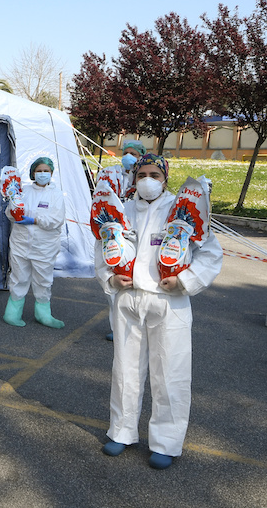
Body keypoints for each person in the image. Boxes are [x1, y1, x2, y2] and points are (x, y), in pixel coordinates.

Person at [95, 154, 222, 470]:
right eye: (141, 175)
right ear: (133, 178)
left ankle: (166, 442)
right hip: (128, 300)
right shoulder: (122, 209)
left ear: (166, 178)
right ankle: (121, 432)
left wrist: (184, 281)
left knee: (170, 373)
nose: (147, 180)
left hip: (169, 302)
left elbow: (211, 254)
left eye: (154, 174)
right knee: (125, 371)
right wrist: (109, 278)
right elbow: (100, 247)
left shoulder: (182, 210)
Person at [2, 156, 66, 329]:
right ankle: (12, 313)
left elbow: (56, 219)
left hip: (44, 246)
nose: (42, 174)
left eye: (46, 171)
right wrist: (13, 208)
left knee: (43, 280)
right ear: (33, 173)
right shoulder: (23, 191)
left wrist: (35, 220)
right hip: (20, 243)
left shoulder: (56, 194)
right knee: (18, 278)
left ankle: (43, 314)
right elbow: (10, 213)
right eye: (39, 171)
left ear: (51, 173)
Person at [97, 139, 146, 341]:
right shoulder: (111, 174)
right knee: (114, 285)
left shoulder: (144, 178)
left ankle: (137, 327)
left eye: (134, 154)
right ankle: (116, 328)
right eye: (126, 152)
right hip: (114, 236)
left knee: (137, 285)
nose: (129, 157)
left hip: (137, 237)